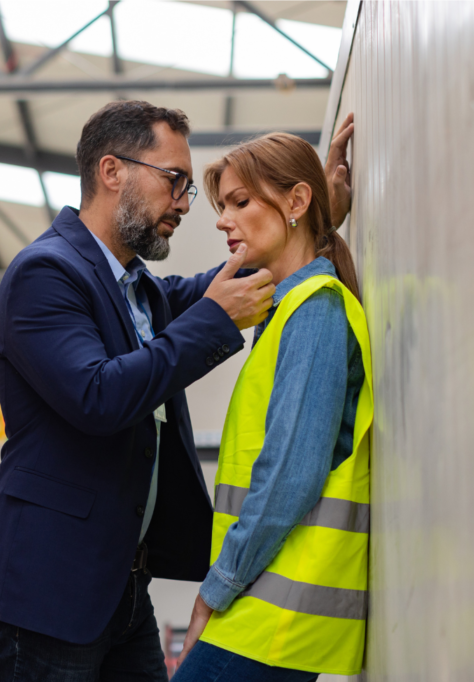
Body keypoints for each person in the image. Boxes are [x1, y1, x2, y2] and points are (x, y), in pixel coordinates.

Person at [0, 101, 354, 682]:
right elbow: (98, 396)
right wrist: (215, 321)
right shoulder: (44, 275)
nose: (183, 202)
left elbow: (252, 273)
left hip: (123, 591)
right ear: (112, 171)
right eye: (173, 180)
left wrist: (311, 215)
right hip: (47, 593)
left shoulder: (139, 291)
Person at [173, 128, 370, 682]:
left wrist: (214, 591)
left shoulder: (313, 313)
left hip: (270, 620)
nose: (220, 219)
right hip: (263, 610)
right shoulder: (287, 309)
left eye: (239, 202)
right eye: (221, 205)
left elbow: (289, 475)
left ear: (297, 202)